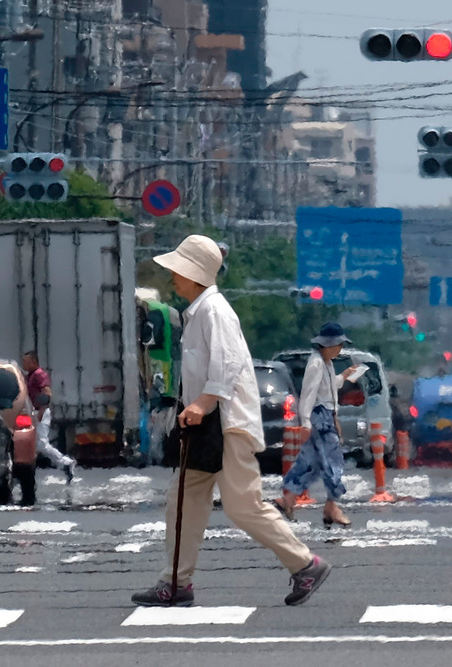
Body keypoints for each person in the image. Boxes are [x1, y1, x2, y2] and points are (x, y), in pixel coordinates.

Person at [132, 234, 330, 608]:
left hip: (226, 425)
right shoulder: (200, 311)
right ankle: (175, 582)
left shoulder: (214, 311)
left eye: (178, 269)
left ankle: (305, 563)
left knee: (243, 505)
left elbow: (227, 365)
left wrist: (202, 404)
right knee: (183, 501)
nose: (173, 276)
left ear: (193, 273)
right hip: (207, 427)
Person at [273, 322, 358, 527]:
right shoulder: (316, 363)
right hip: (319, 416)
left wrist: (344, 376)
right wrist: (305, 422)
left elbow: (327, 387)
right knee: (333, 460)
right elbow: (309, 394)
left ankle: (288, 500)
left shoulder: (325, 363)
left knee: (311, 461)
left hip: (325, 414)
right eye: (338, 345)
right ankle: (331, 505)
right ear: (329, 344)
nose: (340, 349)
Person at [22, 351, 76, 484]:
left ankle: (66, 463)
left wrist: (42, 409)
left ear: (34, 361)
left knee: (41, 444)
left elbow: (46, 392)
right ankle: (26, 473)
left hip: (41, 412)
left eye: (26, 361)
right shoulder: (30, 375)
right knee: (31, 444)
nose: (24, 363)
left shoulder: (39, 374)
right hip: (33, 412)